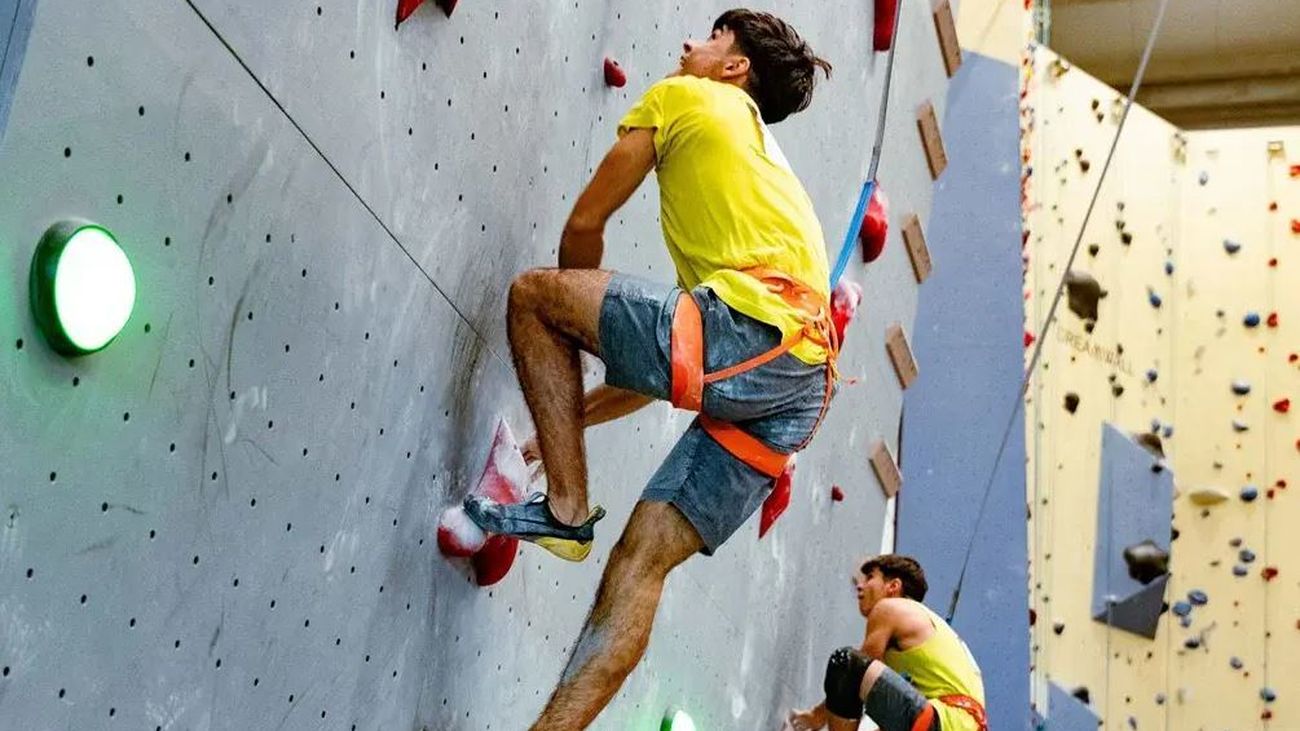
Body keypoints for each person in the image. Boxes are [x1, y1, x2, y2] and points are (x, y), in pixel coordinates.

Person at [461, 8, 836, 729]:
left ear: (735, 68)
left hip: (755, 332)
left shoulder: (685, 97)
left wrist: (569, 321)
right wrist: (560, 428)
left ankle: (567, 512)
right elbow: (664, 369)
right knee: (641, 564)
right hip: (796, 385)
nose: (688, 44)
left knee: (535, 297)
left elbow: (584, 226)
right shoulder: (763, 184)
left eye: (710, 39)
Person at [786, 555, 987, 731]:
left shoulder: (890, 608)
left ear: (893, 586)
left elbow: (854, 673)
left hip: (945, 722)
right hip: (948, 722)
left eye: (871, 577)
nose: (860, 585)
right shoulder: (923, 632)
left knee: (846, 663)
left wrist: (816, 717)